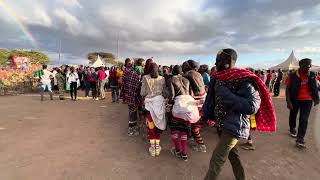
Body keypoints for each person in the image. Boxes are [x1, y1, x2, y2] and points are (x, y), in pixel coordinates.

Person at [203, 48, 276, 180]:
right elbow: (212, 100)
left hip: (234, 126)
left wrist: (227, 94)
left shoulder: (242, 79)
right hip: (222, 124)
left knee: (217, 159)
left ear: (228, 62)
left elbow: (252, 106)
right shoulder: (219, 77)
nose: (216, 64)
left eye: (219, 61)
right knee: (233, 155)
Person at [168, 65, 199, 161]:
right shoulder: (187, 79)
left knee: (174, 129)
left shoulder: (171, 79)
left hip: (178, 108)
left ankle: (177, 150)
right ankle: (184, 154)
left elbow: (172, 96)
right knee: (184, 130)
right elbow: (191, 94)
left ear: (173, 71)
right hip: (190, 107)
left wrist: (169, 103)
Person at [286, 58, 319, 148]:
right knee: (293, 115)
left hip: (307, 101)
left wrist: (316, 98)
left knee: (304, 119)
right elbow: (288, 89)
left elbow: (315, 87)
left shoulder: (312, 75)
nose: (309, 68)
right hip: (295, 99)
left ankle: (300, 139)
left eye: (310, 66)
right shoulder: (292, 75)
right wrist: (288, 101)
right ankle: (292, 128)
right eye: (307, 66)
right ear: (301, 65)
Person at [141, 62, 167, 157]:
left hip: (149, 105)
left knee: (151, 126)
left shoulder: (145, 78)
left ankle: (153, 148)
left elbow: (142, 92)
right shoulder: (162, 78)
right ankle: (157, 147)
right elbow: (164, 92)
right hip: (159, 104)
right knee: (158, 126)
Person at [182, 60, 207, 153]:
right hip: (203, 100)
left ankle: (202, 145)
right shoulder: (198, 74)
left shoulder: (187, 74)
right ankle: (191, 137)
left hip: (196, 102)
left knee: (194, 126)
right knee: (193, 122)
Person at [123, 58, 141, 136]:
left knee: (132, 111)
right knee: (132, 112)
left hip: (128, 95)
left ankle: (133, 127)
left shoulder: (125, 72)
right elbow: (137, 85)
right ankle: (131, 129)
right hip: (133, 95)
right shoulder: (133, 73)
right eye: (131, 63)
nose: (132, 64)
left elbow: (123, 85)